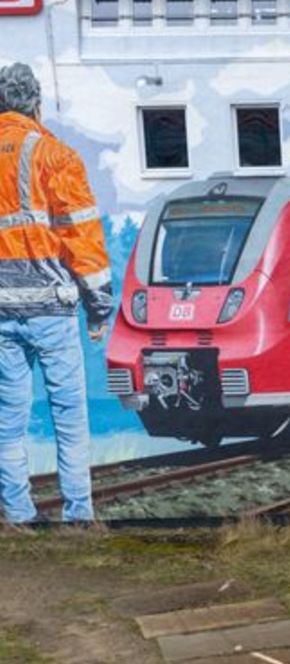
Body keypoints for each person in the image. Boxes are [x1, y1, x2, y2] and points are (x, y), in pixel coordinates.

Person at [0, 63, 112, 523]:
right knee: (68, 415)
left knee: (8, 420)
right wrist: (99, 309)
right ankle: (79, 516)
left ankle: (18, 515)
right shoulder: (56, 156)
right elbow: (81, 238)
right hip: (52, 309)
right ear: (36, 104)